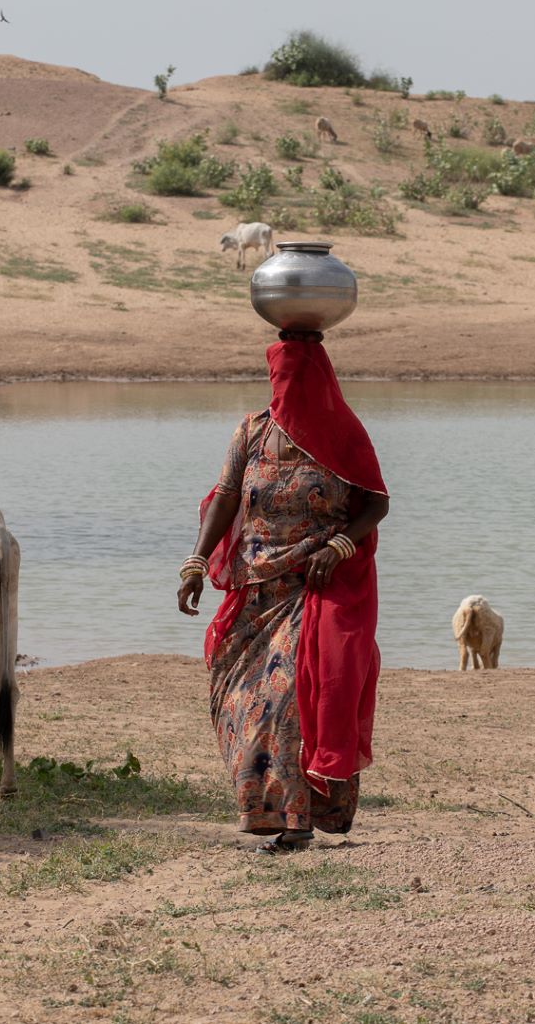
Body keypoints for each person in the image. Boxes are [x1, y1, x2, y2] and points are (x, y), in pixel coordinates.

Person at [177, 331, 390, 853]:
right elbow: (226, 498)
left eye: (297, 374)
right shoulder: (251, 431)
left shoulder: (343, 432)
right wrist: (197, 563)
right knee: (238, 698)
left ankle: (296, 820)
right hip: (256, 591)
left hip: (315, 588)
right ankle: (262, 807)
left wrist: (339, 545)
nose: (286, 385)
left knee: (293, 696)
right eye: (280, 374)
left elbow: (376, 502)